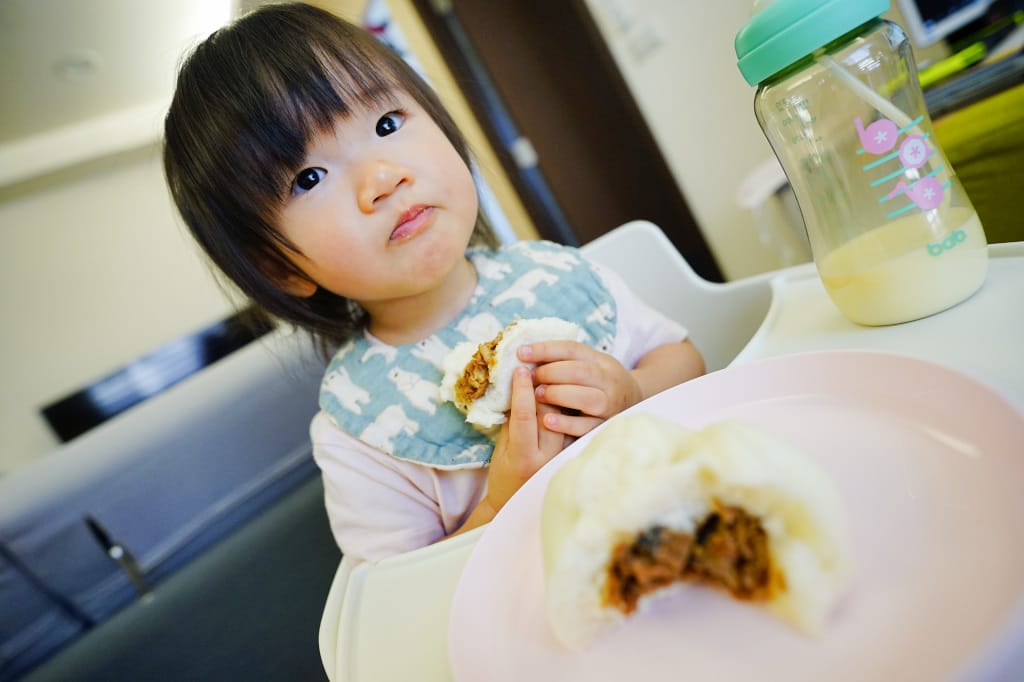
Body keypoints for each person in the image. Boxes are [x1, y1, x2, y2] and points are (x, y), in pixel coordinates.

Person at [163, 2, 705, 566]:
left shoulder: (556, 274)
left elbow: (687, 359)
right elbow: (398, 594)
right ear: (280, 268)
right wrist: (500, 504)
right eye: (309, 177)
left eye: (387, 124)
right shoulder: (358, 434)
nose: (382, 177)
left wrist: (634, 391)